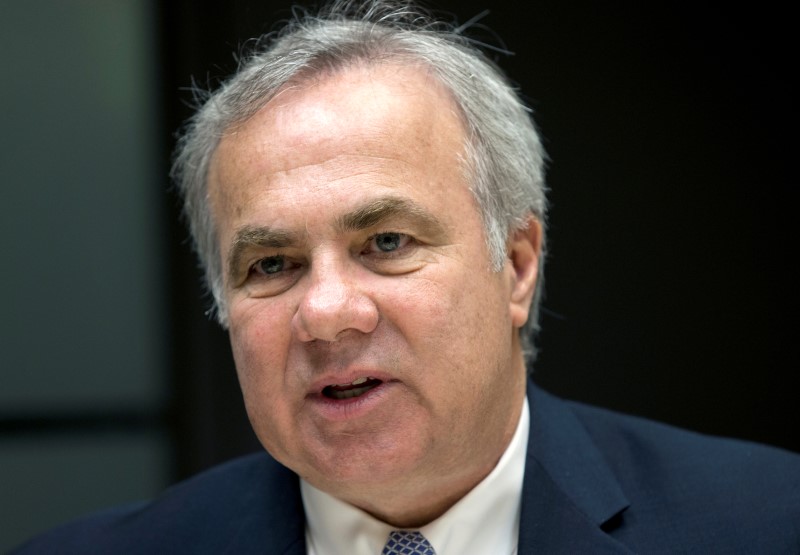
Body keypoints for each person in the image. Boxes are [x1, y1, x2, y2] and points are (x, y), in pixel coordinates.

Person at [12, 1, 800, 553]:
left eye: (385, 241)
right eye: (272, 264)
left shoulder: (769, 522)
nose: (325, 312)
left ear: (517, 265)